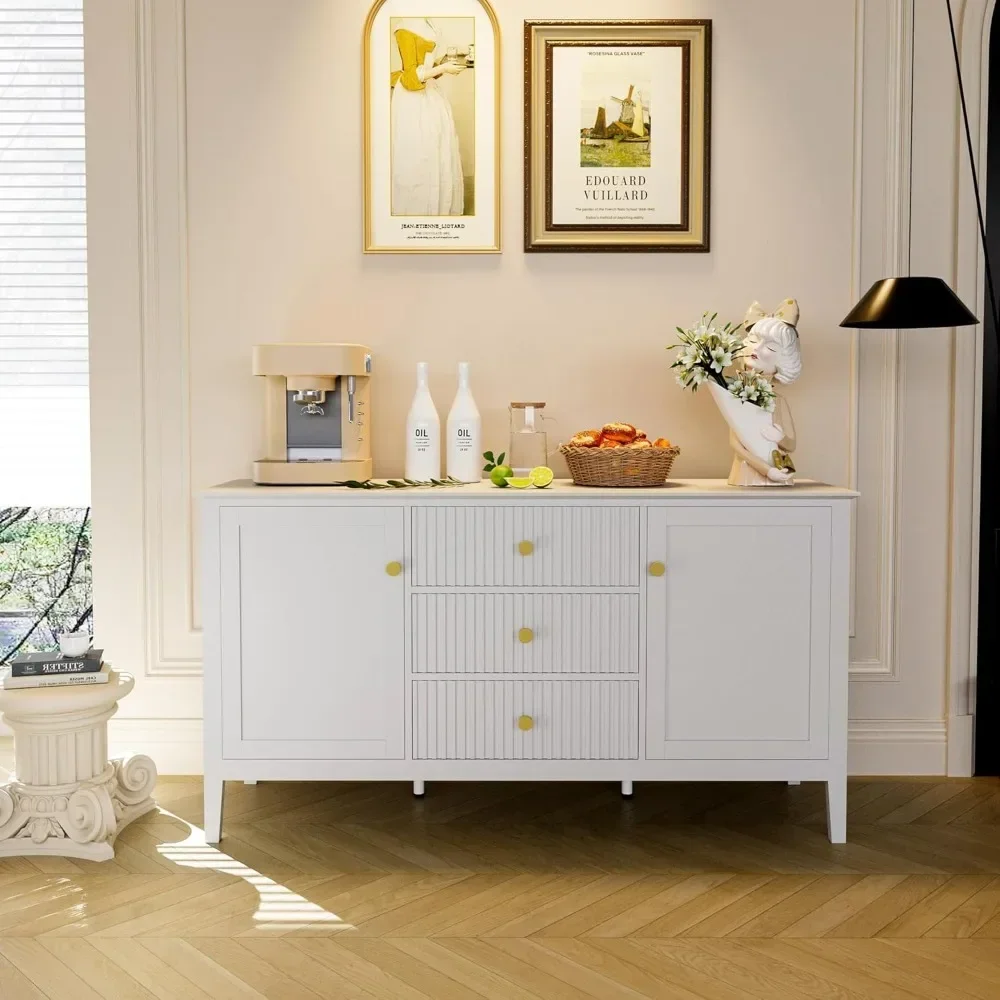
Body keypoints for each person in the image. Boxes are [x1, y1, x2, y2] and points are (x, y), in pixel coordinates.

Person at [390, 18, 466, 216]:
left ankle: (438, 209)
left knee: (437, 149)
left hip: (431, 95)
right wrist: (443, 68)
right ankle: (416, 212)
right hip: (412, 100)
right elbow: (410, 77)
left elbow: (428, 72)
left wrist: (445, 64)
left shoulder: (430, 24)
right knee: (419, 153)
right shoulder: (404, 28)